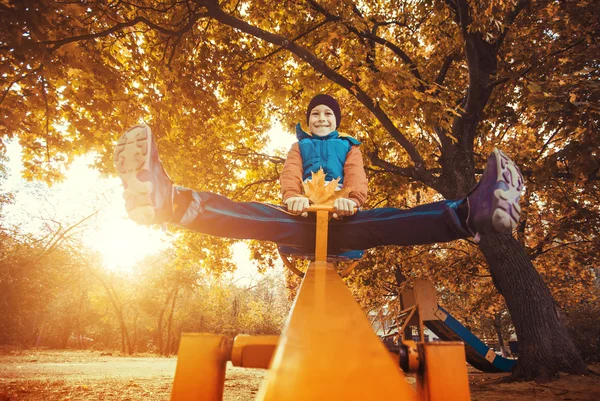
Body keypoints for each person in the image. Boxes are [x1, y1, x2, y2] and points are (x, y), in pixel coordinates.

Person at [113, 94, 524, 254]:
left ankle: (471, 211)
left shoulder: (350, 146)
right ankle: (171, 200)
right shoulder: (299, 146)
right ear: (309, 123)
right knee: (259, 216)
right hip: (300, 223)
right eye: (316, 114)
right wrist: (293, 197)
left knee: (386, 219)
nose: (322, 117)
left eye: (328, 113)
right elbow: (290, 175)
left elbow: (357, 178)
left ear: (337, 121)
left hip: (344, 225)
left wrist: (353, 200)